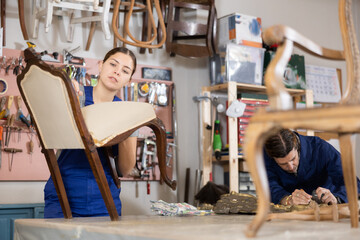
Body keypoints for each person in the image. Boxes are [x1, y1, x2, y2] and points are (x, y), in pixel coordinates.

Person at [44, 47, 138, 218]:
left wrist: (127, 125)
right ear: (101, 65)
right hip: (62, 195)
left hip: (104, 200)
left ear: (129, 80)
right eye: (113, 64)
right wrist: (63, 96)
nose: (117, 72)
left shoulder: (129, 113)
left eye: (125, 71)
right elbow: (51, 136)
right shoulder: (76, 95)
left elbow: (124, 169)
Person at [264, 128, 360, 206]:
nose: (290, 167)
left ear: (297, 146)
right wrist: (287, 199)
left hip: (327, 209)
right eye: (283, 164)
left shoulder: (321, 148)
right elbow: (269, 187)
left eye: (293, 159)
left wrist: (337, 198)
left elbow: (353, 183)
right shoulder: (266, 156)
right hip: (292, 214)